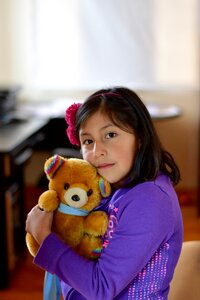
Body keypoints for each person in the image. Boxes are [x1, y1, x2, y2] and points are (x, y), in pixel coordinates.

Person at [26, 87, 183, 300]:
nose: (96, 151)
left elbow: (101, 289)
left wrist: (45, 236)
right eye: (88, 141)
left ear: (140, 138)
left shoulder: (150, 201)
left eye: (110, 135)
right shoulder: (109, 186)